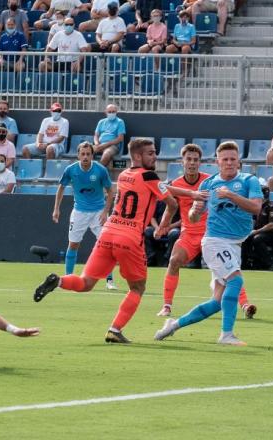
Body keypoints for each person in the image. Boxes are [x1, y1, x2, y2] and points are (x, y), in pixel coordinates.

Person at [34, 138, 178, 343]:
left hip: (108, 232)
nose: (155, 156)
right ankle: (114, 330)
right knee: (137, 288)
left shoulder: (124, 175)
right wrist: (163, 226)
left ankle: (59, 281)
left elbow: (158, 189)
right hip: (129, 237)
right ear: (138, 156)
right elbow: (171, 204)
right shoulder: (150, 176)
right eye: (151, 153)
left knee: (86, 283)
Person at [154, 141, 262, 346]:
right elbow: (195, 216)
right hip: (214, 241)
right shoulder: (208, 184)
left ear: (239, 161)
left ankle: (172, 325)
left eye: (233, 159)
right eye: (225, 160)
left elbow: (256, 209)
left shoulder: (249, 180)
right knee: (236, 281)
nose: (229, 163)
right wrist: (194, 211)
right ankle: (226, 334)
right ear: (217, 162)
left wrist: (230, 194)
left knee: (217, 302)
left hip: (235, 244)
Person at [52, 141, 117, 290]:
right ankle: (68, 278)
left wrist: (105, 211)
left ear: (92, 155)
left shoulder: (100, 170)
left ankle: (109, 280)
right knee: (73, 244)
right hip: (79, 212)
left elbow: (110, 191)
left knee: (107, 246)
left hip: (98, 212)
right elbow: (61, 187)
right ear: (78, 155)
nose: (86, 157)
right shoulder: (71, 170)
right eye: (83, 154)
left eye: (88, 154)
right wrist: (56, 209)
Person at [242, 182, 273, 270]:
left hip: (270, 234)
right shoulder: (257, 206)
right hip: (256, 231)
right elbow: (253, 220)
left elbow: (272, 225)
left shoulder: (272, 207)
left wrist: (256, 231)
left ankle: (269, 264)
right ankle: (244, 264)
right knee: (244, 238)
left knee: (257, 239)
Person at [144, 199, 181, 266]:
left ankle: (168, 259)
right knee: (146, 231)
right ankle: (151, 257)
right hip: (158, 228)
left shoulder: (179, 202)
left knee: (174, 234)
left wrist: (169, 227)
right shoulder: (158, 202)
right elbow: (152, 218)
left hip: (173, 228)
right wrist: (157, 228)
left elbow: (182, 220)